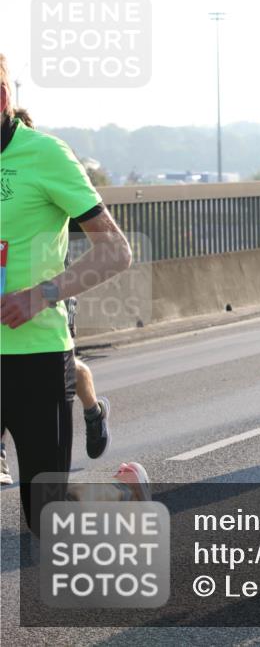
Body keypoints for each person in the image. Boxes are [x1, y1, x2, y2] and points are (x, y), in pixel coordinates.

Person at [0, 53, 149, 534]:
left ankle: (124, 493)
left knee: (47, 518)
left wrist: (40, 296)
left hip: (35, 356)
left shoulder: (45, 156)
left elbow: (116, 252)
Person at [10, 106, 113, 459]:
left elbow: (111, 246)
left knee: (75, 365)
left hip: (51, 297)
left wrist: (45, 292)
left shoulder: (46, 161)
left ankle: (94, 411)